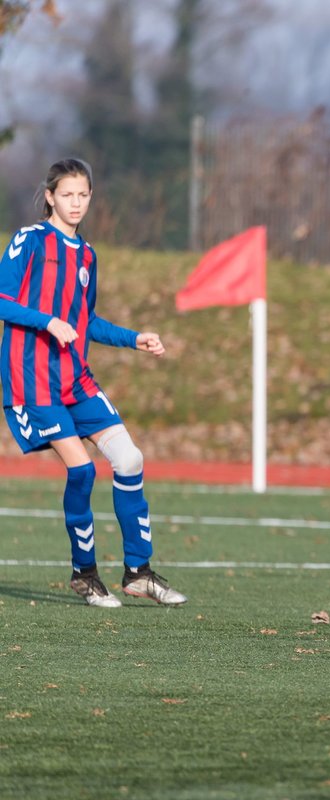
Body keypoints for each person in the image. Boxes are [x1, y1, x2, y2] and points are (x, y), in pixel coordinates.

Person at [0, 158, 186, 608]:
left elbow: (87, 322)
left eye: (83, 194)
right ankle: (85, 574)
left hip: (76, 379)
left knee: (130, 458)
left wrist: (133, 338)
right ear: (50, 197)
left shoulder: (86, 255)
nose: (76, 202)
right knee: (82, 470)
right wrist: (46, 321)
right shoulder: (30, 240)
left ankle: (138, 572)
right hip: (34, 381)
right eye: (67, 194)